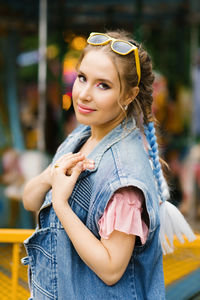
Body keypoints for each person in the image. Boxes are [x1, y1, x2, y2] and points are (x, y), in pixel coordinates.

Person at [22, 30, 195, 300]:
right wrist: (50, 176)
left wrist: (62, 205)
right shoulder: (80, 137)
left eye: (103, 85)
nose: (83, 95)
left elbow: (112, 269)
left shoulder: (124, 175)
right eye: (82, 78)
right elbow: (30, 200)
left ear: (128, 95)